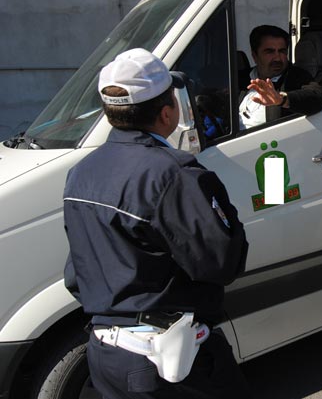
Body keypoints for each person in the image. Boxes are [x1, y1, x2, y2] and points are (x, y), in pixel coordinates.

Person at [63, 48, 250, 398]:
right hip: (169, 362)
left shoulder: (81, 173)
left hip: (107, 354)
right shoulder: (175, 174)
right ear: (167, 113)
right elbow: (223, 262)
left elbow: (77, 274)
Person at [238, 24, 322, 129]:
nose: (277, 58)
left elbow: (318, 96)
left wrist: (282, 99)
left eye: (282, 51)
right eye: (270, 52)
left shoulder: (295, 76)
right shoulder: (241, 78)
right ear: (255, 56)